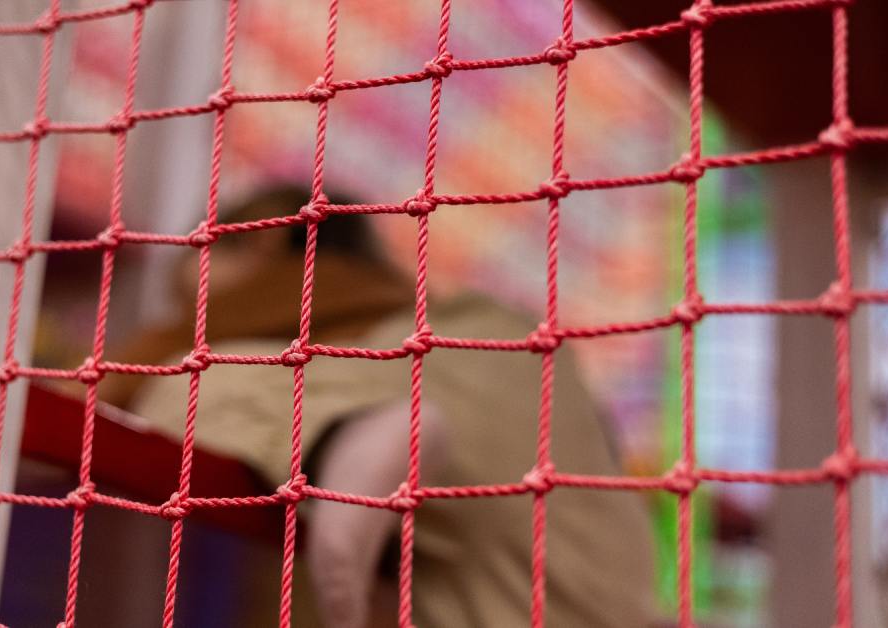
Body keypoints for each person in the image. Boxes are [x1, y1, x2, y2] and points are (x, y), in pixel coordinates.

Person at [117, 186, 655, 627]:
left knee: (189, 380)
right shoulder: (481, 325)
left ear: (258, 248)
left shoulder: (265, 347)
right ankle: (354, 435)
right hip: (604, 587)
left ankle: (340, 435)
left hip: (473, 572)